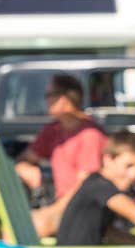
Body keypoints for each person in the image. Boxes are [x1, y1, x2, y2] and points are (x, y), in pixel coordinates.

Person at [14, 74, 104, 204]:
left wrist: (50, 213)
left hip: (81, 208)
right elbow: (25, 158)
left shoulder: (90, 134)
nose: (46, 100)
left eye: (49, 95)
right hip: (61, 204)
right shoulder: (53, 129)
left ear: (64, 99)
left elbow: (84, 191)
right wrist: (26, 168)